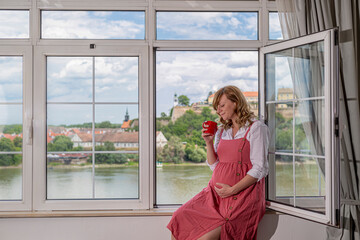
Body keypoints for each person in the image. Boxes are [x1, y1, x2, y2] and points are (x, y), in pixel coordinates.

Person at [167, 85, 269, 240]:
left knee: (206, 238)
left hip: (242, 197)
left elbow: (260, 169)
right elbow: (215, 165)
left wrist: (232, 190)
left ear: (235, 103)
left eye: (222, 105)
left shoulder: (256, 128)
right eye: (217, 107)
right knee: (180, 218)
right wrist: (208, 142)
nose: (218, 110)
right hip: (213, 195)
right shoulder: (222, 131)